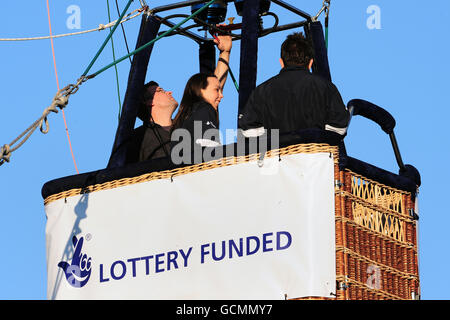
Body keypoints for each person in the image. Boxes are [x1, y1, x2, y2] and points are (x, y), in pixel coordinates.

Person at [125, 32, 232, 163]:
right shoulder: (138, 137)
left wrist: (225, 52)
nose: (169, 92)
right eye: (161, 91)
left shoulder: (185, 125)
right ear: (149, 102)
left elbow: (212, 90)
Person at [238, 32, 350, 137]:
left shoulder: (261, 91)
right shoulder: (326, 87)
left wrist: (275, 140)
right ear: (311, 63)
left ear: (281, 62)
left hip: (275, 156)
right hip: (316, 155)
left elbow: (248, 131)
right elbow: (340, 127)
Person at [171, 73, 223, 150]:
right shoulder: (205, 108)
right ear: (200, 90)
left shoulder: (185, 117)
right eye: (217, 90)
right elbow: (211, 148)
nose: (221, 95)